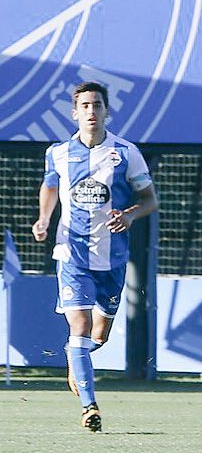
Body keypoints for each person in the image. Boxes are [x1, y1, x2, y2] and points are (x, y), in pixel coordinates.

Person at [32, 81, 159, 433]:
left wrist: (130, 215)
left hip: (112, 258)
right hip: (71, 254)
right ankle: (89, 406)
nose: (91, 111)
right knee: (81, 327)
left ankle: (78, 356)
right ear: (75, 113)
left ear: (106, 111)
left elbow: (150, 199)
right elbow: (51, 186)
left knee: (97, 336)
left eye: (97, 105)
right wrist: (44, 218)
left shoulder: (126, 152)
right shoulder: (58, 153)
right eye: (85, 105)